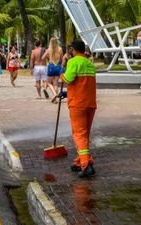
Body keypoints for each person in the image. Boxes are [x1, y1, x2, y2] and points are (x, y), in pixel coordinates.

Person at [60, 40, 97, 178]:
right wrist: (66, 93)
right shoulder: (89, 63)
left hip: (78, 104)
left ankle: (86, 165)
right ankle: (80, 161)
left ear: (73, 50)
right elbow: (82, 83)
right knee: (84, 134)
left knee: (79, 134)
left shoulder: (74, 62)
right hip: (90, 104)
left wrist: (61, 74)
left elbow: (68, 79)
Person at [44, 37, 63, 101]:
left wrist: (48, 58)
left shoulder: (49, 49)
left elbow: (42, 57)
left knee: (48, 83)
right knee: (56, 83)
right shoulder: (60, 49)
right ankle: (55, 100)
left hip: (51, 66)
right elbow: (62, 58)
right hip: (58, 66)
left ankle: (54, 94)